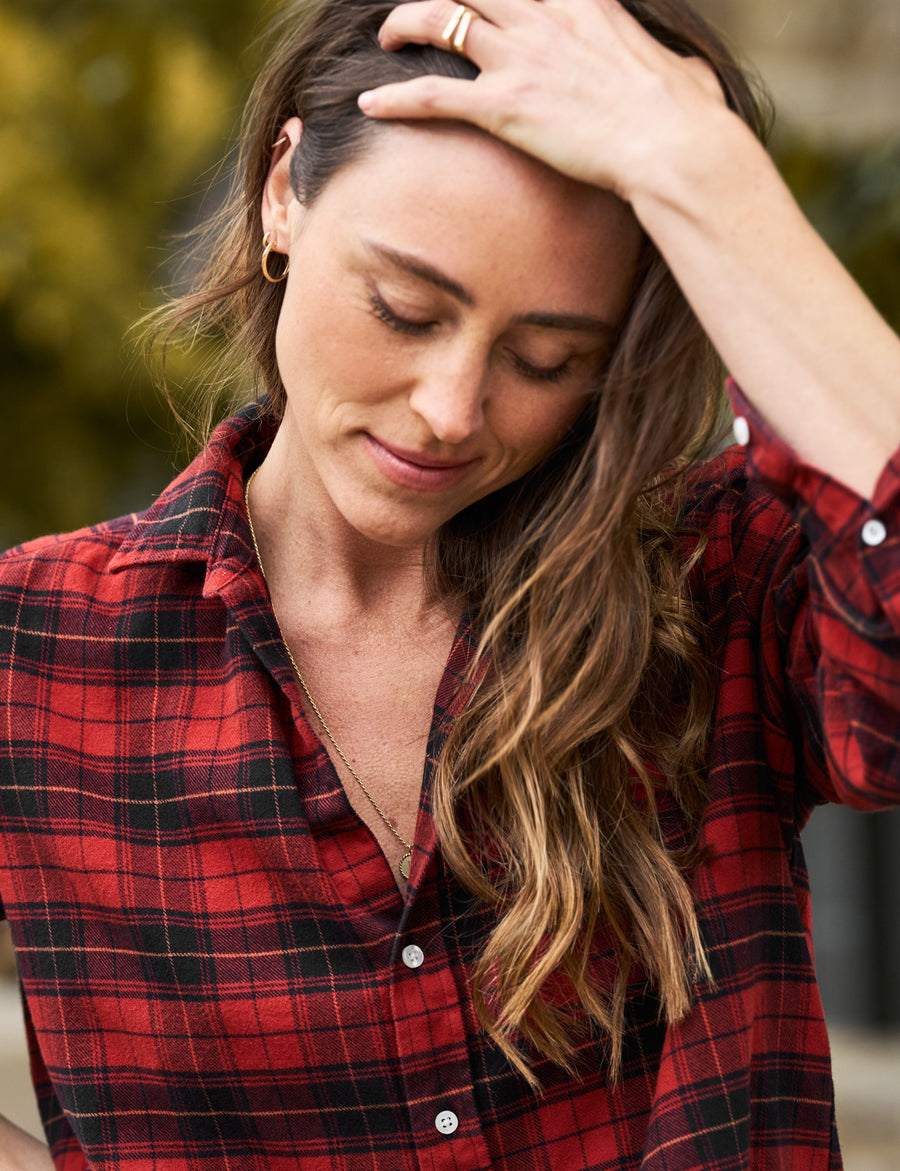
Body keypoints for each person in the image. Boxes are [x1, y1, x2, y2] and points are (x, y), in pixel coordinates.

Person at [1, 0, 898, 1165]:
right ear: (286, 193)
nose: (451, 411)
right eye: (404, 308)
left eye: (547, 359)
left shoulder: (721, 588)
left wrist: (706, 173)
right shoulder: (35, 645)